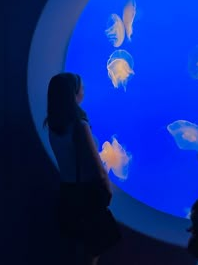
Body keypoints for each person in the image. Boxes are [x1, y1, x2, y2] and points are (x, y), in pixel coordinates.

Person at [44, 72, 121, 265]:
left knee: (75, 246)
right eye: (81, 87)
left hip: (67, 191)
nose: (83, 91)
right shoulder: (79, 124)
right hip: (86, 193)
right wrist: (106, 184)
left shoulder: (52, 125)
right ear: (73, 93)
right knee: (93, 248)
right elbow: (95, 162)